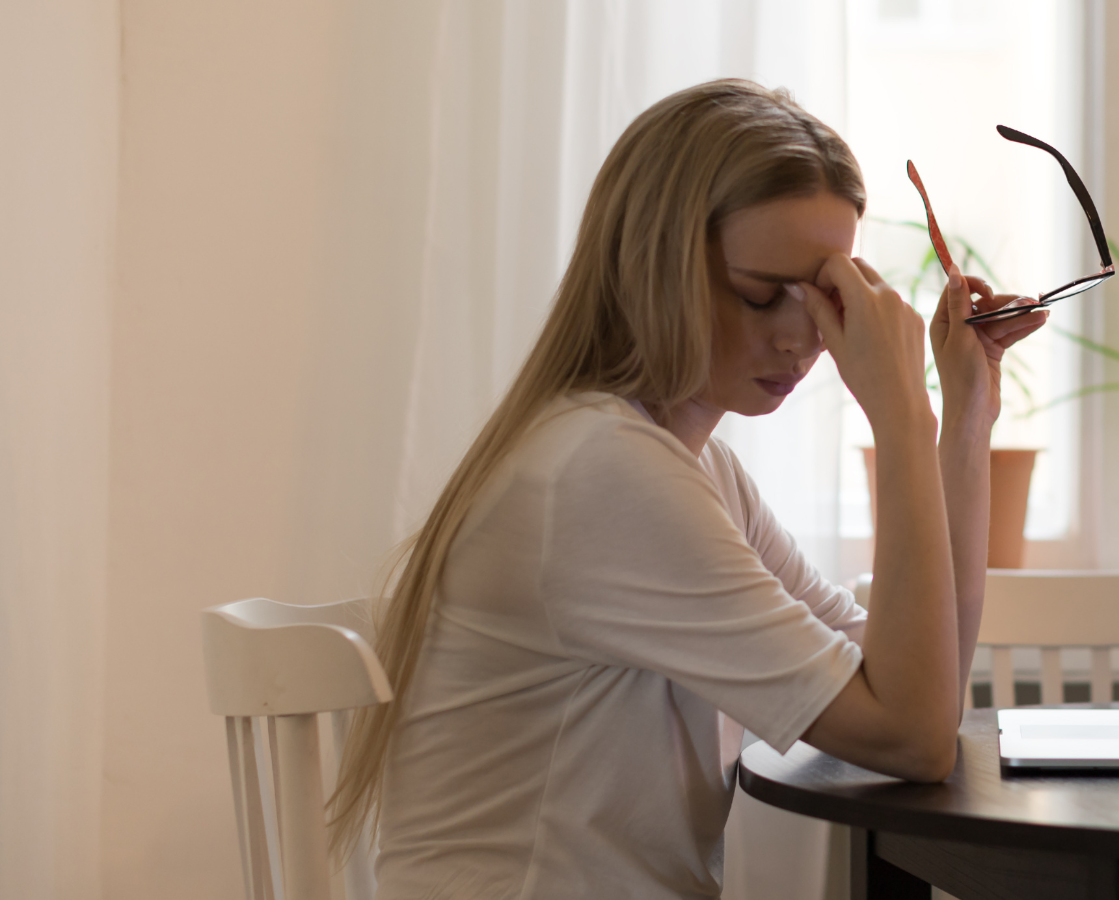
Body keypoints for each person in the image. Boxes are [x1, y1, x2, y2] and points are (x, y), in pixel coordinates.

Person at [326, 79, 1048, 899]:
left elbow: (922, 692)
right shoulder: (600, 472)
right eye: (759, 293)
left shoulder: (696, 470)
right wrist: (901, 415)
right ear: (654, 266)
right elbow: (912, 735)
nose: (802, 337)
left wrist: (965, 413)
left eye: (824, 296)